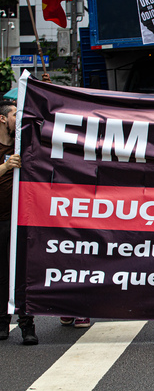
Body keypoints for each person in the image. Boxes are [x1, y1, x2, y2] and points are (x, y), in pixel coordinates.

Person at [0, 100, 38, 345]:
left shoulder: (22, 143)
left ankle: (27, 325)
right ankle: (3, 322)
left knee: (22, 273)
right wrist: (5, 166)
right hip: (1, 220)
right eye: (15, 114)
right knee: (2, 274)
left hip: (21, 220)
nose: (19, 117)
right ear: (2, 118)